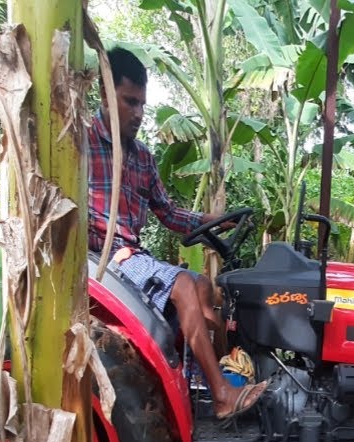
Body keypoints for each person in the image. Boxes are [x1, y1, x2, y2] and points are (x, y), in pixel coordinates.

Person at [89, 47, 266, 420]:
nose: (138, 114)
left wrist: (213, 220)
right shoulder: (79, 143)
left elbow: (167, 213)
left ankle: (212, 382)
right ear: (106, 95)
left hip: (130, 257)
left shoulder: (142, 158)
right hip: (101, 261)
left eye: (142, 105)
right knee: (185, 285)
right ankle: (221, 395)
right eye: (129, 102)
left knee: (204, 288)